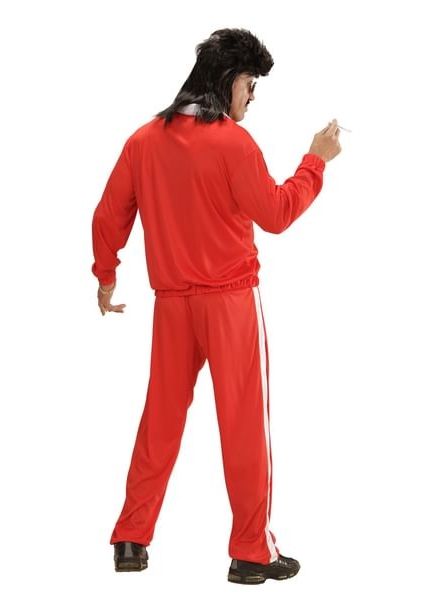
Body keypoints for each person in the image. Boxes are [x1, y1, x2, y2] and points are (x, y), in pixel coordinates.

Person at [91, 27, 341, 584]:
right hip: (229, 302)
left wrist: (106, 277)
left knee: (160, 420)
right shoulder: (232, 143)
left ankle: (130, 538)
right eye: (251, 84)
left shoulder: (142, 141)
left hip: (172, 306)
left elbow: (108, 215)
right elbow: (276, 214)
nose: (252, 96)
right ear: (230, 80)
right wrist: (315, 161)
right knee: (244, 424)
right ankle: (251, 551)